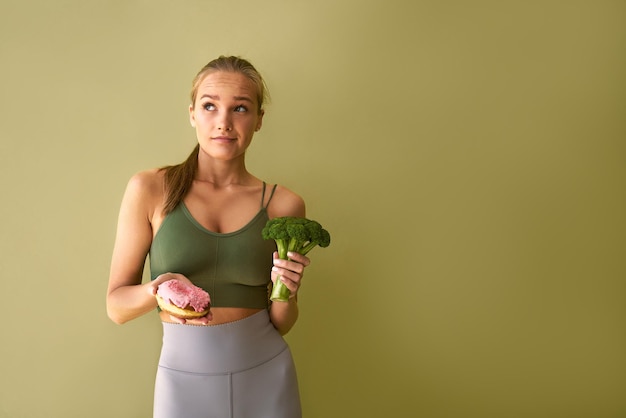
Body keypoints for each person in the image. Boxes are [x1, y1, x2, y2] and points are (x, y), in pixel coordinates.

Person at [106, 55, 310, 418]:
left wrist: (288, 292)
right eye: (210, 106)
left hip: (266, 373)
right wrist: (160, 289)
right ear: (192, 114)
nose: (224, 123)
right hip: (182, 382)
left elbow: (282, 322)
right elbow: (116, 306)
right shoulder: (151, 189)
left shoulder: (284, 204)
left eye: (241, 108)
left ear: (259, 119)